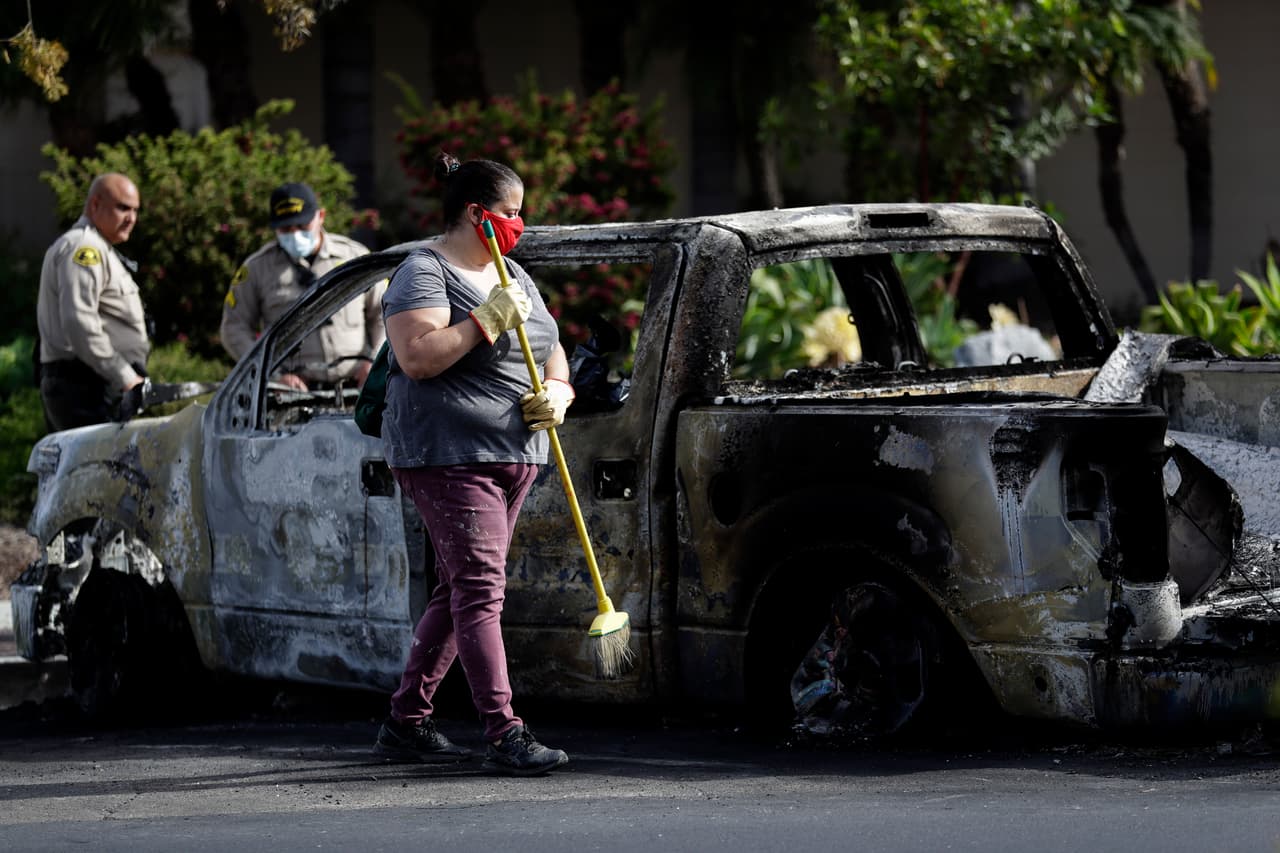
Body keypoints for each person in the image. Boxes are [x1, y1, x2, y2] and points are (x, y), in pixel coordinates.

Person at [372, 153, 576, 777]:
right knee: (482, 590)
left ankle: (406, 722)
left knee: (459, 589)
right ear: (475, 212)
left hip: (516, 453)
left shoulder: (513, 271)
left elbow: (554, 349)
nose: (520, 223)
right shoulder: (424, 271)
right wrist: (486, 320)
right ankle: (504, 732)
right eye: (511, 212)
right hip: (449, 455)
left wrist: (560, 397)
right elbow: (417, 357)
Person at [220, 182, 385, 390]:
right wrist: (271, 375)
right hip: (292, 397)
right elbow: (234, 327)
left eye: (302, 226)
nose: (295, 234)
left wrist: (376, 361)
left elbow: (385, 310)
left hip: (358, 389)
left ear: (321, 216)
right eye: (286, 229)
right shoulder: (257, 268)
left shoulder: (355, 257)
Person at [36, 172, 150, 431]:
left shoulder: (98, 247)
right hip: (86, 387)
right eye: (123, 208)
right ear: (95, 204)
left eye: (135, 210)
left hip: (95, 385)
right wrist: (125, 376)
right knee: (97, 470)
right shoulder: (84, 248)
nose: (131, 218)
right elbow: (79, 323)